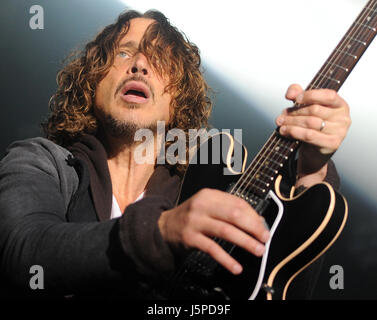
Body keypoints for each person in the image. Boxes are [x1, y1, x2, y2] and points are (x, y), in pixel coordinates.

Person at [0, 9, 350, 299]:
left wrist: (311, 170)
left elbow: (271, 284)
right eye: (124, 52)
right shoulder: (41, 161)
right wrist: (161, 231)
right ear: (93, 80)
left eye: (159, 59)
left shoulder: (210, 184)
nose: (139, 64)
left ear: (177, 99)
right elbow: (25, 253)